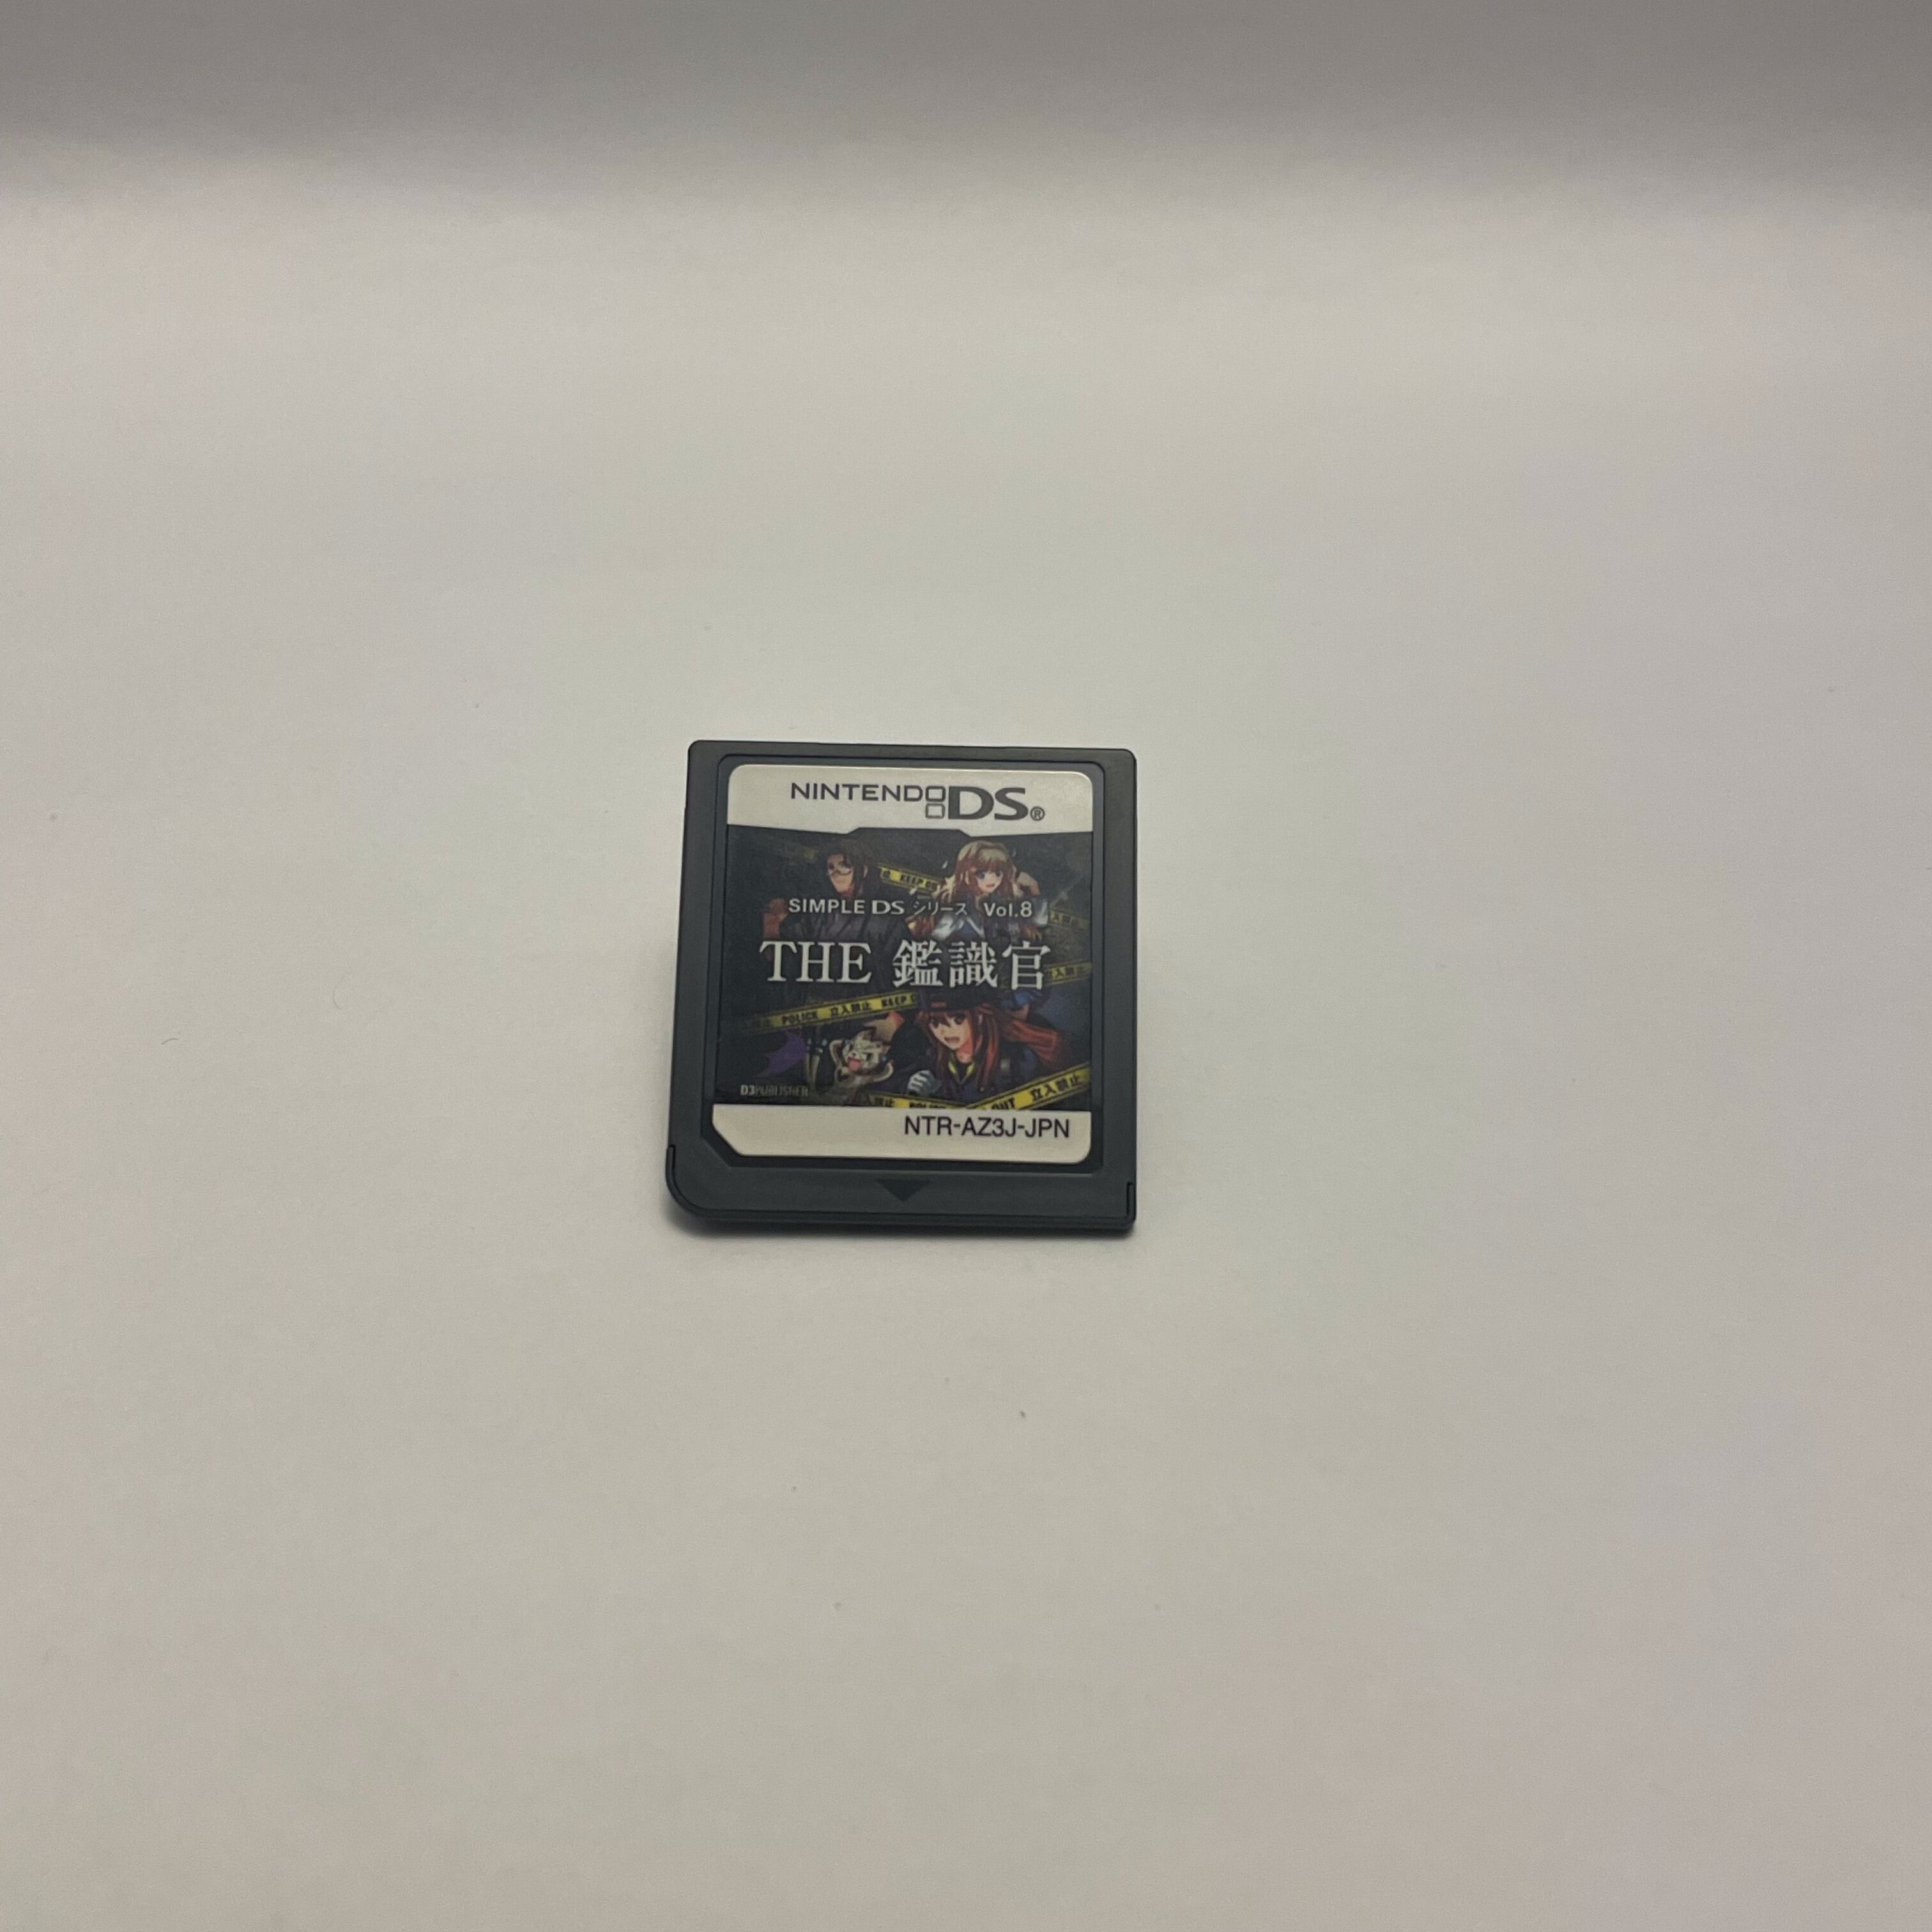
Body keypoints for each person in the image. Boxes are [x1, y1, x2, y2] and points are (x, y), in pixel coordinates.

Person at [904, 988, 1064, 1104]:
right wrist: (914, 1089)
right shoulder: (932, 1058)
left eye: (958, 1019)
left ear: (979, 1017)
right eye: (935, 1023)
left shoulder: (1017, 1060)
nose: (945, 1031)